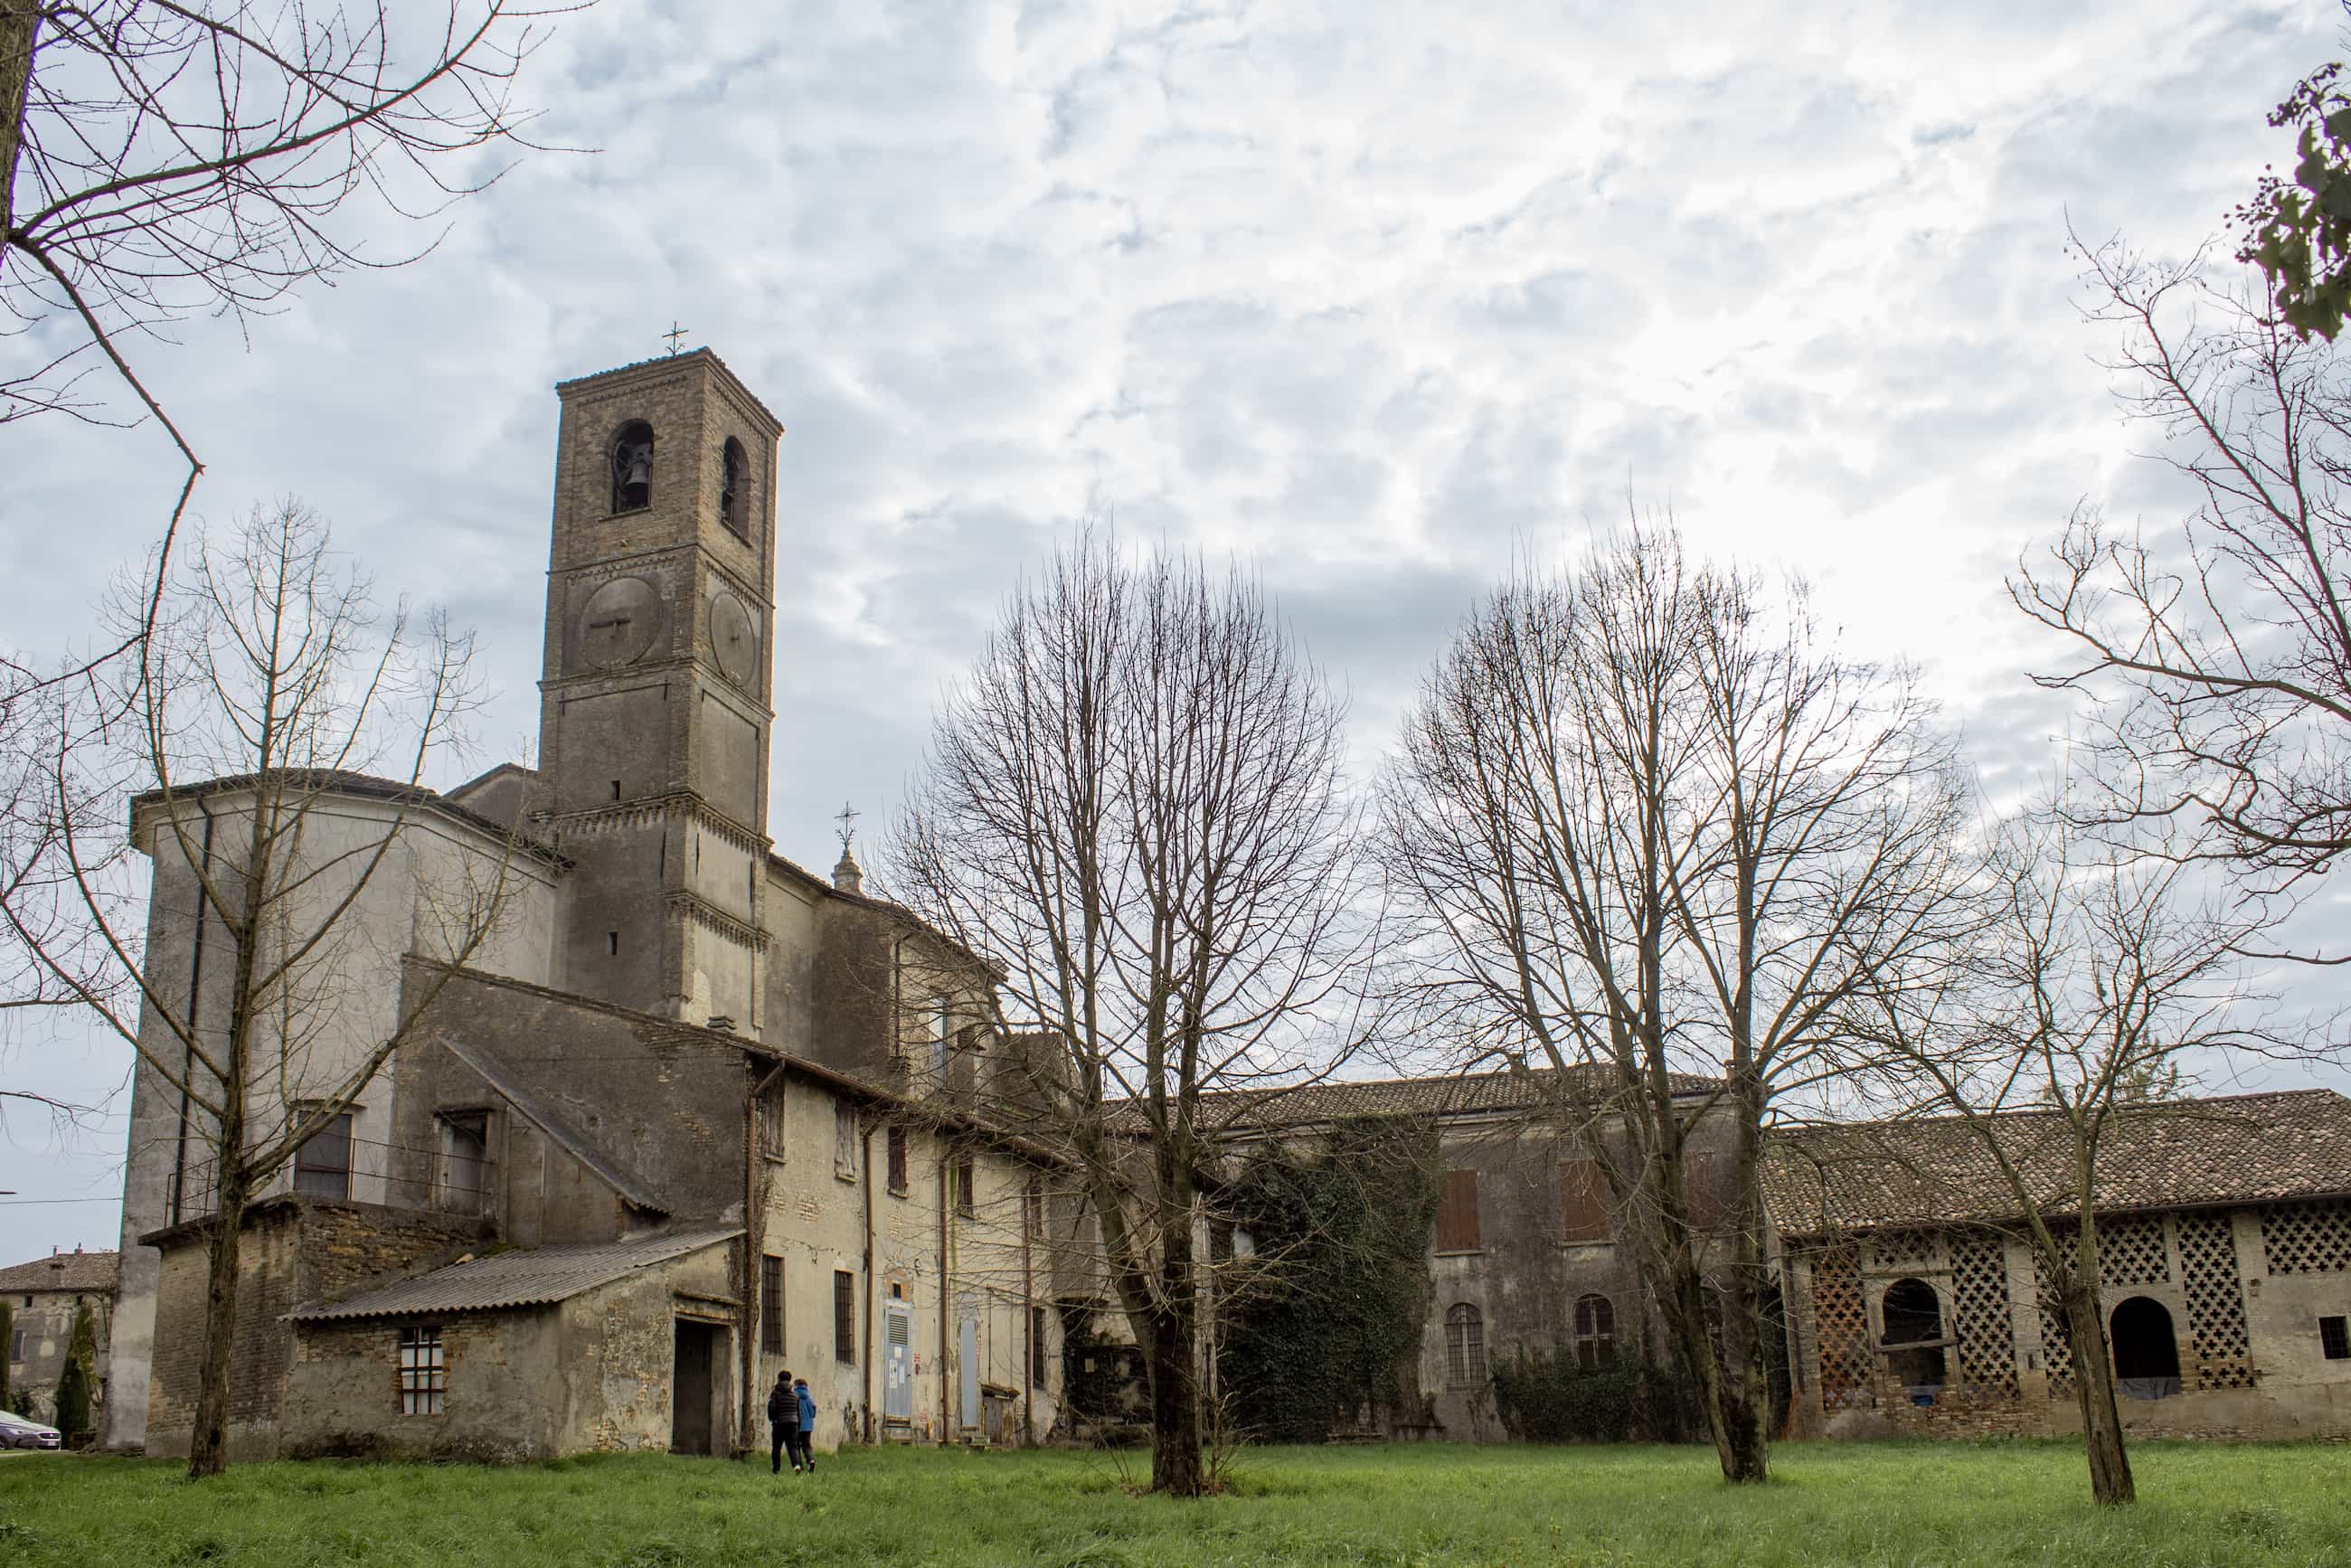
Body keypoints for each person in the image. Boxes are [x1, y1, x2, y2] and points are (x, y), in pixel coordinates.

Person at [767, 1371, 796, 1474]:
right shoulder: (794, 1395)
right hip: (793, 1424)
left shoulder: (775, 1393)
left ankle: (776, 1469)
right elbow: (798, 1410)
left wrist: (772, 1418)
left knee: (776, 1447)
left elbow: (772, 1407)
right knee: (792, 1447)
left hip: (779, 1423)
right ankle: (797, 1466)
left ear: (779, 1379)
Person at [794, 1375, 817, 1474]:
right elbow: (813, 1413)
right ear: (805, 1386)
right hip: (807, 1426)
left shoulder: (793, 1396)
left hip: (796, 1424)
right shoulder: (809, 1398)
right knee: (807, 1445)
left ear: (796, 1386)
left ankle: (799, 1465)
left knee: (796, 1446)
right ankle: (811, 1460)